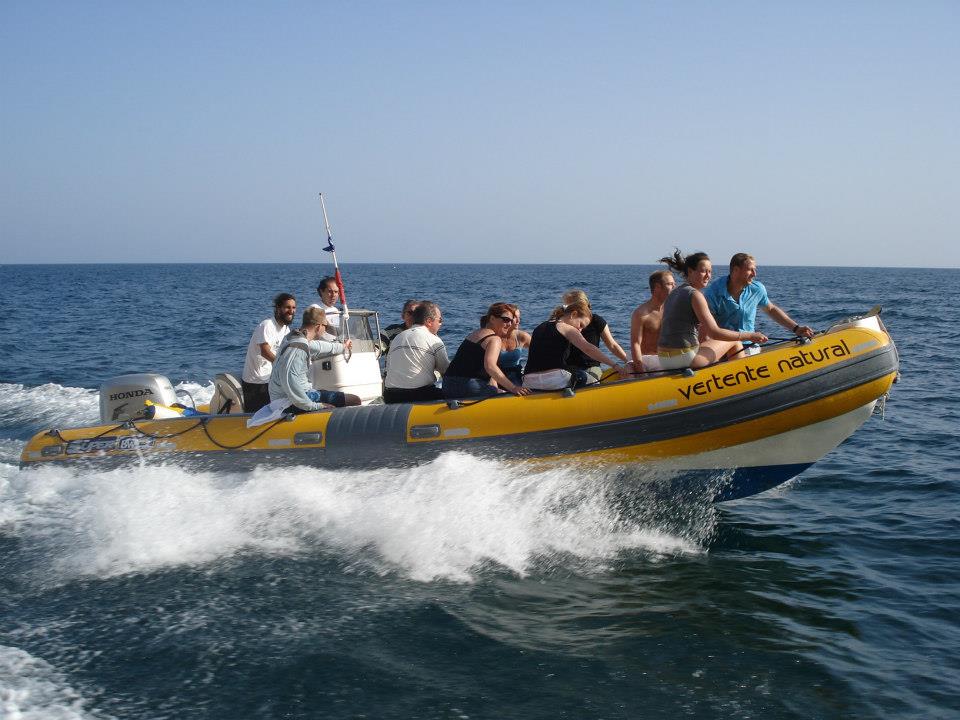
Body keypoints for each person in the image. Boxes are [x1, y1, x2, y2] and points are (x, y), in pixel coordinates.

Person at [657, 250, 767, 370]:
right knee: (735, 341)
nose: (708, 276)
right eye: (703, 271)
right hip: (684, 359)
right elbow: (714, 332)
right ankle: (743, 377)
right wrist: (750, 336)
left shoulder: (675, 293)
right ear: (690, 271)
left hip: (664, 360)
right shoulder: (695, 295)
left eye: (710, 272)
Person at [703, 253, 815, 354]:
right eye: (750, 270)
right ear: (736, 270)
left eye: (755, 270)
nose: (754, 274)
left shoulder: (757, 289)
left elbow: (771, 309)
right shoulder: (713, 292)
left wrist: (796, 328)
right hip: (723, 348)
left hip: (749, 346)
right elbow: (706, 328)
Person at [523, 298, 629, 390]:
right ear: (573, 314)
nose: (580, 329)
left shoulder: (540, 327)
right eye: (581, 324)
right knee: (592, 381)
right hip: (555, 379)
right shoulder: (567, 328)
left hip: (529, 380)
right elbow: (588, 349)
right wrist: (615, 365)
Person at [268, 306, 360, 413]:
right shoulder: (298, 347)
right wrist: (315, 406)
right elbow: (289, 380)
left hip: (290, 397)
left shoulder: (293, 337)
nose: (326, 329)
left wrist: (343, 346)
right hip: (288, 402)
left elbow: (319, 346)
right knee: (354, 400)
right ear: (318, 327)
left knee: (328, 393)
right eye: (325, 326)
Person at [442, 303, 532, 399]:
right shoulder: (494, 339)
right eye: (505, 320)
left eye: (510, 320)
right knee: (504, 395)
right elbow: (490, 366)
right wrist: (513, 388)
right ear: (492, 319)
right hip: (467, 385)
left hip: (447, 384)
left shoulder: (475, 333)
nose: (509, 324)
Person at [383, 301, 450, 403]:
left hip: (390, 395)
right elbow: (446, 372)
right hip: (419, 395)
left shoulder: (397, 337)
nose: (440, 324)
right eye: (440, 320)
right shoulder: (434, 340)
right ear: (429, 321)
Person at [241, 293, 296, 413]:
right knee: (259, 415)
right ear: (278, 308)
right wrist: (283, 365)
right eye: (287, 307)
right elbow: (265, 352)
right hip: (256, 382)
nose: (291, 311)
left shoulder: (286, 330)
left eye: (293, 308)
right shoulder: (267, 325)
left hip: (271, 379)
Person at [561, 289, 629, 385]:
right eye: (564, 307)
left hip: (590, 366)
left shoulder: (596, 320)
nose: (565, 311)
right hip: (568, 367)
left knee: (589, 381)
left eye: (567, 307)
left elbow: (612, 345)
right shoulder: (562, 324)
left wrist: (628, 361)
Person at [630, 270, 676, 372]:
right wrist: (641, 371)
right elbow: (635, 344)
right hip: (646, 361)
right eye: (670, 284)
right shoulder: (641, 313)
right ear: (657, 287)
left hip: (668, 360)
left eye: (674, 284)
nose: (674, 287)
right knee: (628, 369)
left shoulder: (674, 310)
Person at [497, 304, 531, 387]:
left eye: (519, 317)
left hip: (515, 376)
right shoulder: (494, 336)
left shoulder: (522, 336)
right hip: (495, 376)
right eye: (515, 317)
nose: (518, 321)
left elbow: (540, 352)